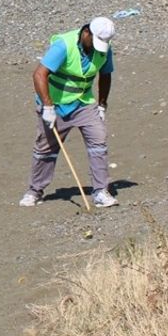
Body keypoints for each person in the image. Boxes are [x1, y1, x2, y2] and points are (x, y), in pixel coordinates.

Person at [20, 17, 118, 208]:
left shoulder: (104, 48)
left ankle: (100, 191)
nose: (98, 48)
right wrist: (48, 107)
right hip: (55, 104)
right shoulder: (63, 45)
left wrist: (102, 105)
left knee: (98, 140)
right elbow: (39, 74)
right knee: (45, 149)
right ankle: (35, 191)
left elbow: (106, 74)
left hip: (83, 103)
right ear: (86, 33)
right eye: (95, 42)